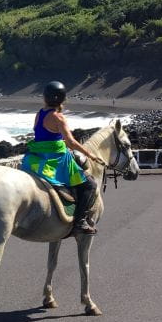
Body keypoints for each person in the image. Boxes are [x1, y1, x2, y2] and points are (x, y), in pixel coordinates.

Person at [21, 81, 101, 234]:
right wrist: (89, 154)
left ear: (45, 98)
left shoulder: (39, 114)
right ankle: (80, 222)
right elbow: (70, 142)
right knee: (89, 185)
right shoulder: (58, 117)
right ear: (62, 99)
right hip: (56, 159)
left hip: (37, 157)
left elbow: (42, 135)